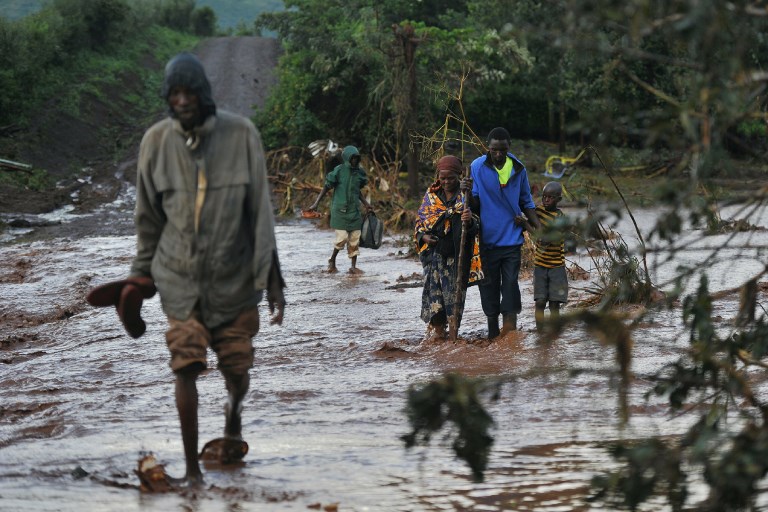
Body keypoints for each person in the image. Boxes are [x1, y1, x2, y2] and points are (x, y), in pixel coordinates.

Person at [88, 53, 286, 486]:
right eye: (173, 94)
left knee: (237, 367)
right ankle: (192, 472)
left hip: (234, 279)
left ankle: (232, 420)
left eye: (188, 92)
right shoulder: (155, 142)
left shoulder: (241, 135)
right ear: (167, 98)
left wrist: (272, 278)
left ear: (203, 94)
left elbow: (260, 214)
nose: (181, 101)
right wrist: (140, 276)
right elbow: (148, 218)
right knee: (185, 363)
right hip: (178, 278)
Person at [464, 127, 540, 339]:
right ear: (488, 148)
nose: (498, 155)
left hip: (512, 239)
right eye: (494, 150)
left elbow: (526, 200)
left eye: (503, 150)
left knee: (510, 285)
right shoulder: (477, 167)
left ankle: (510, 335)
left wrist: (540, 229)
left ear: (509, 148)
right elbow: (475, 205)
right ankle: (492, 334)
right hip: (487, 239)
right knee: (488, 286)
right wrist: (467, 192)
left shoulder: (518, 168)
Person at [414, 155, 482, 340]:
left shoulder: (466, 197)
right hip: (434, 257)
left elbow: (476, 224)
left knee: (454, 299)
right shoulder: (432, 196)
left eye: (450, 178)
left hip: (456, 258)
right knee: (434, 299)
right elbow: (420, 222)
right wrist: (424, 237)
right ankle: (438, 337)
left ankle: (452, 337)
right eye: (442, 178)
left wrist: (468, 222)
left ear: (458, 176)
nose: (445, 182)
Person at [306, 145, 372, 274]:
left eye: (356, 158)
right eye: (352, 158)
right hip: (340, 210)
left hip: (354, 211)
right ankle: (332, 260)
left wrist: (366, 204)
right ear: (347, 158)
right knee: (341, 238)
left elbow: (357, 191)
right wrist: (315, 203)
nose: (354, 161)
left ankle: (353, 266)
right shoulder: (339, 171)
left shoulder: (359, 173)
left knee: (354, 239)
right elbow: (326, 187)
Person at [516, 181, 568, 332]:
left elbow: (545, 240)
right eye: (544, 197)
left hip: (556, 267)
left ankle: (554, 333)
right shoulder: (538, 212)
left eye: (550, 197)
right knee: (539, 302)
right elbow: (526, 212)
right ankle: (540, 333)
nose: (546, 200)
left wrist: (526, 225)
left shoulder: (560, 218)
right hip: (540, 266)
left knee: (554, 304)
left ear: (558, 199)